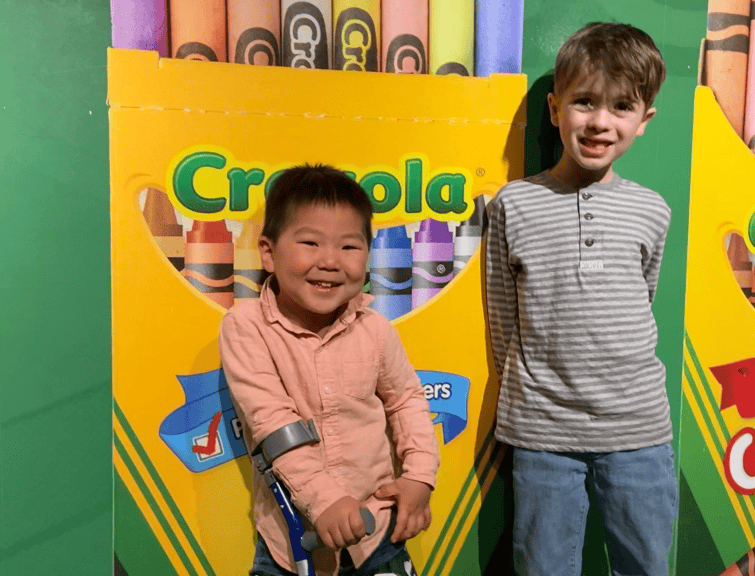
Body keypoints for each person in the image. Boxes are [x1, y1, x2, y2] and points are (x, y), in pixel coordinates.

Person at [484, 22, 678, 576]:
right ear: (554, 109)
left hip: (638, 428)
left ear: (644, 121)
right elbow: (503, 317)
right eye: (584, 102)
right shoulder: (514, 205)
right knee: (544, 568)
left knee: (645, 565)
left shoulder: (652, 209)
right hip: (543, 432)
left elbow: (643, 294)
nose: (599, 121)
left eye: (621, 107)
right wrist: (533, 390)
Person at [219, 164, 439, 576]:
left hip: (379, 533)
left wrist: (419, 478)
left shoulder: (375, 328)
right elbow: (271, 423)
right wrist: (324, 501)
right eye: (310, 243)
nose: (330, 262)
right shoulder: (246, 327)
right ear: (268, 252)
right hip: (291, 542)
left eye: (349, 248)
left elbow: (407, 400)